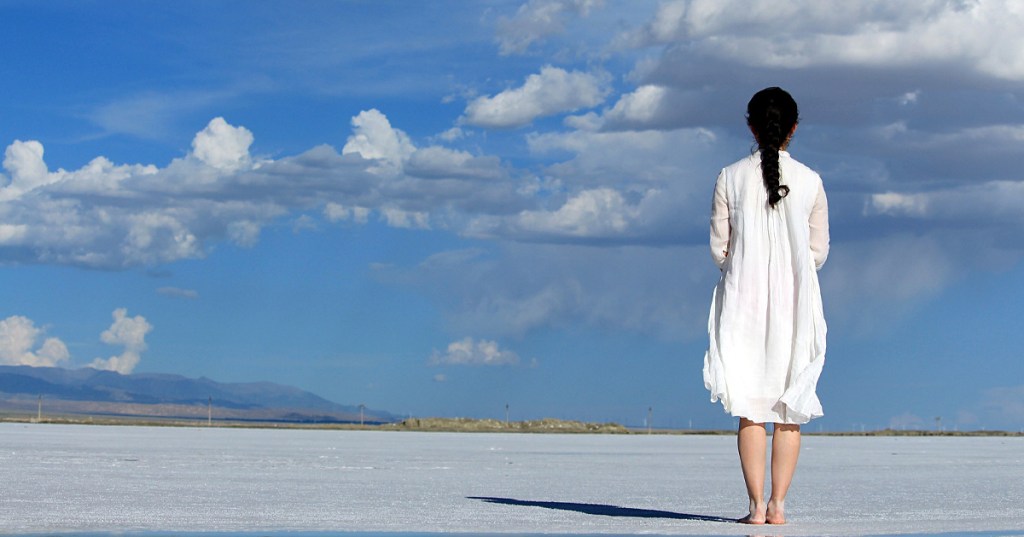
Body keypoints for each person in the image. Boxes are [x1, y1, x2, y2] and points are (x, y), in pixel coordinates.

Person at [703, 87, 829, 525]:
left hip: (743, 301)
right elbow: (818, 252)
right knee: (788, 409)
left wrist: (745, 267)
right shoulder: (811, 180)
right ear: (793, 128)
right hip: (795, 302)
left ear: (751, 126)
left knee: (751, 407)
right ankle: (777, 506)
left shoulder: (729, 176)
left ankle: (756, 508)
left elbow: (720, 249)